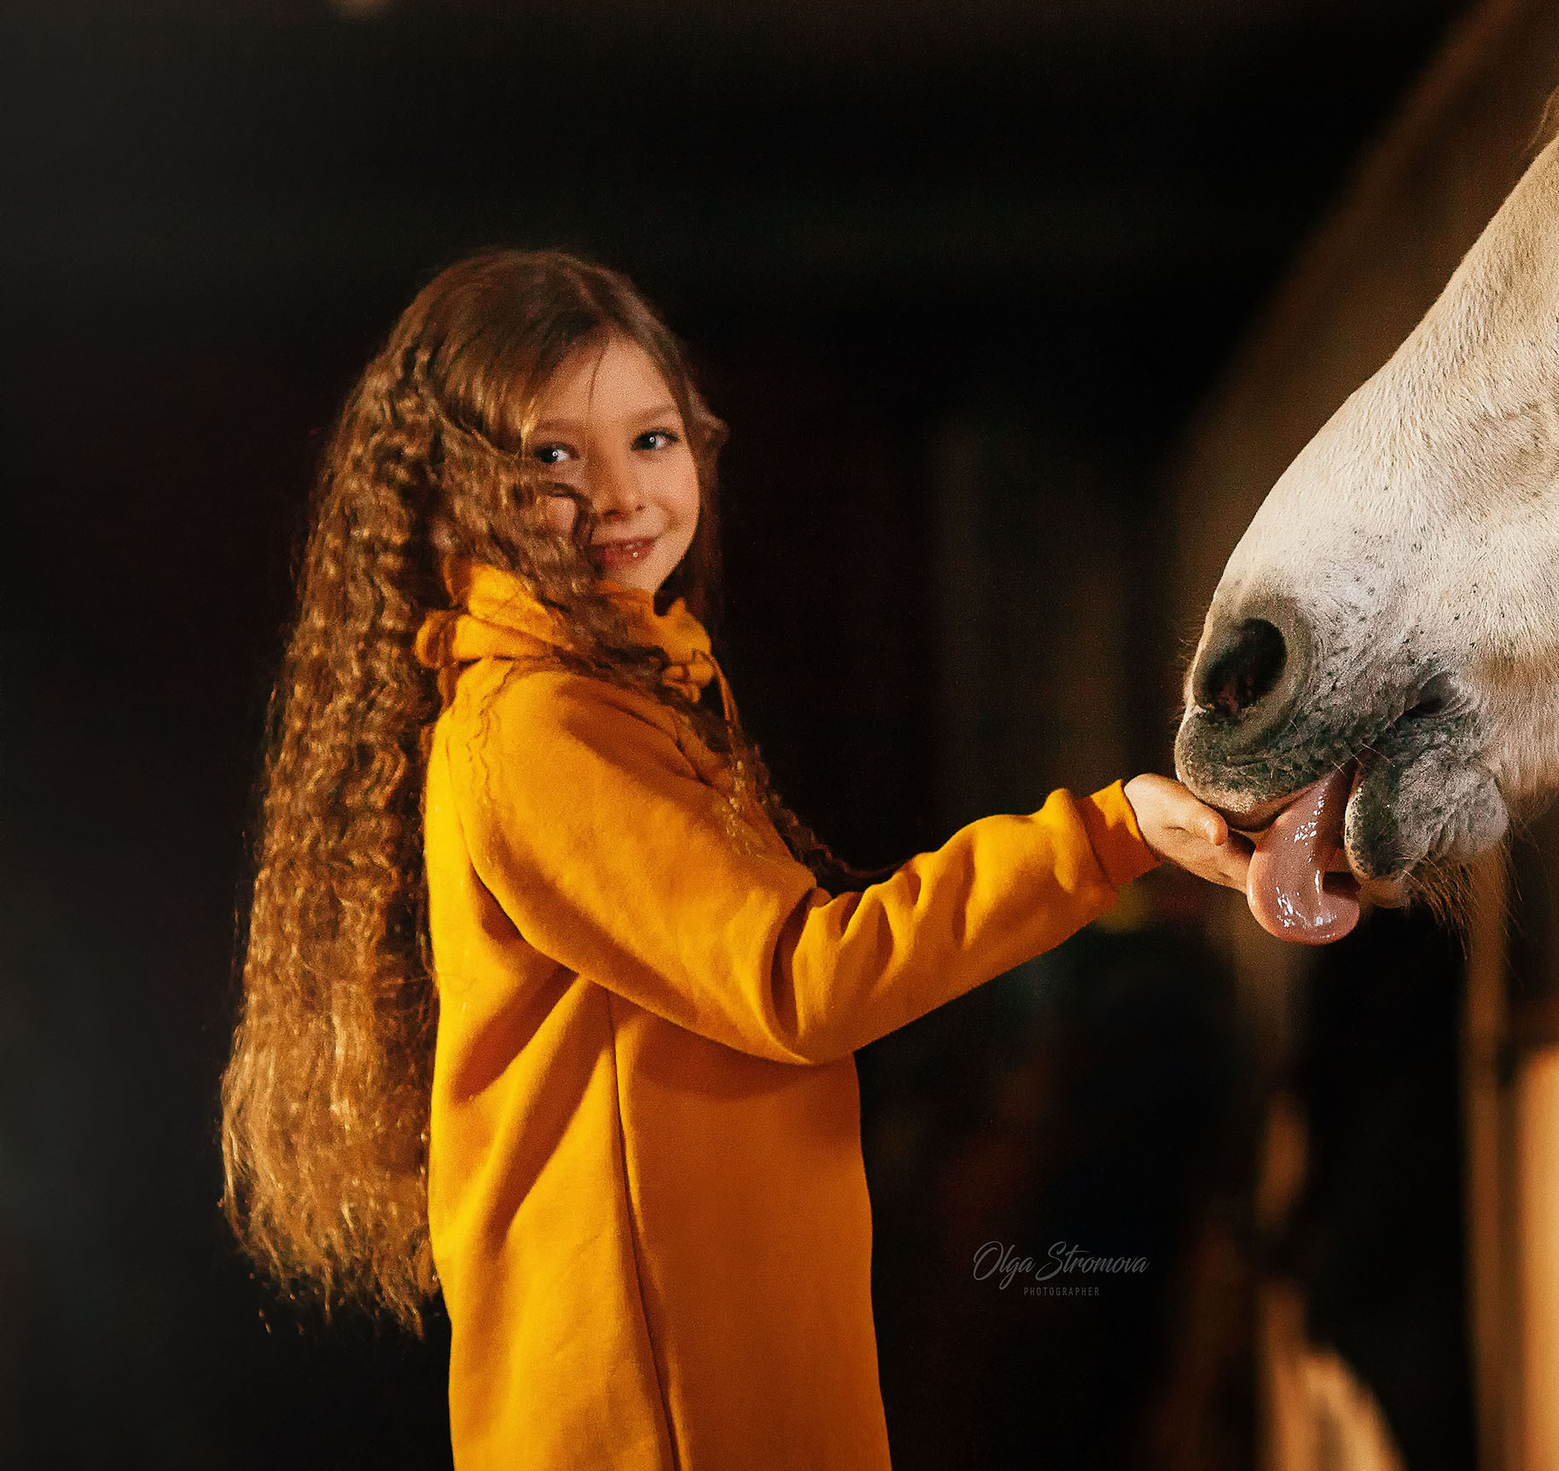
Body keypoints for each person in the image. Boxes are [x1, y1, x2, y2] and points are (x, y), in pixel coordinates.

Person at [218, 249, 1250, 1469]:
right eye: (552, 456)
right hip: (658, 1422)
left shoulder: (627, 695)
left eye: (650, 439)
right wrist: (1106, 834)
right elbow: (800, 980)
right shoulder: (538, 730)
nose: (618, 492)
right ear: (451, 491)